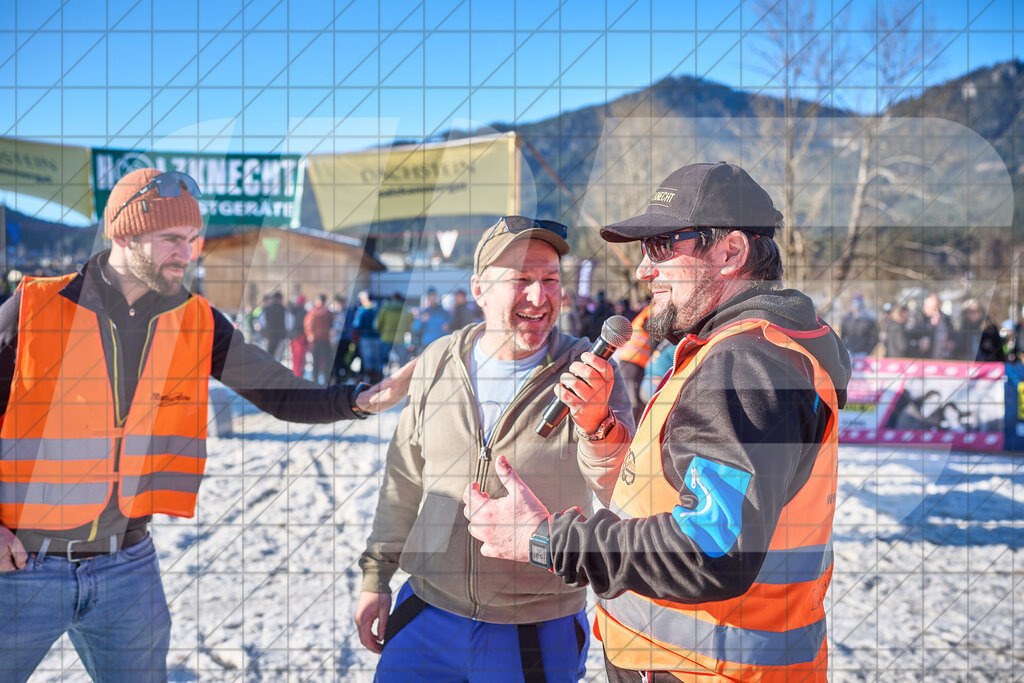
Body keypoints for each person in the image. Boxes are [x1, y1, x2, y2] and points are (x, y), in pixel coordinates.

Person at [0, 168, 416, 682]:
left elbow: (278, 391)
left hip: (128, 567)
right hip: (21, 567)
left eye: (193, 240)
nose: (188, 252)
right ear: (123, 235)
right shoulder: (37, 309)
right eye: (172, 239)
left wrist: (360, 400)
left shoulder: (197, 320)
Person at [464, 162, 852, 681]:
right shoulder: (740, 351)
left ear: (732, 252)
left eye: (664, 246)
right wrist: (601, 428)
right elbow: (666, 496)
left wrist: (547, 539)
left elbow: (711, 549)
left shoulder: (746, 363)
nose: (645, 269)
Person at [356, 215, 635, 682]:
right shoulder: (438, 360)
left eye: (550, 280)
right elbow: (403, 477)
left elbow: (623, 489)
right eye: (521, 279)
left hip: (532, 629)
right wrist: (375, 577)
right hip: (426, 612)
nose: (539, 296)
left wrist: (597, 424)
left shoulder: (589, 371)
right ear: (479, 287)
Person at [955, 298, 1005, 362]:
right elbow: (958, 351)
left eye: (976, 311)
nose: (973, 314)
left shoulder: (990, 329)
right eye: (970, 312)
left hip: (988, 366)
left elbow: (999, 351)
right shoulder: (963, 331)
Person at [304, 294, 335, 384]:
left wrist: (310, 334)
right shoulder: (327, 312)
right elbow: (331, 324)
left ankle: (315, 379)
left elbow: (307, 324)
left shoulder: (312, 311)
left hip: (315, 340)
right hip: (325, 339)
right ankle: (327, 380)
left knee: (316, 361)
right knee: (326, 361)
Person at [353, 290, 381, 383]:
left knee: (367, 361)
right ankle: (376, 382)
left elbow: (356, 325)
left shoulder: (361, 310)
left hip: (365, 338)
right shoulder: (377, 309)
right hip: (377, 338)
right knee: (376, 361)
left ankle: (368, 383)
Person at [258, 291, 288, 360]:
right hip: (280, 337)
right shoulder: (284, 310)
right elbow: (289, 324)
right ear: (281, 299)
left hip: (268, 337)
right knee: (277, 359)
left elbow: (261, 322)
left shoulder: (266, 309)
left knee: (266, 358)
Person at [287, 292, 308, 377]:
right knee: (299, 358)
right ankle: (298, 375)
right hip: (300, 337)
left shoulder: (291, 310)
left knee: (295, 358)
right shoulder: (304, 312)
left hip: (292, 337)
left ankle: (296, 374)